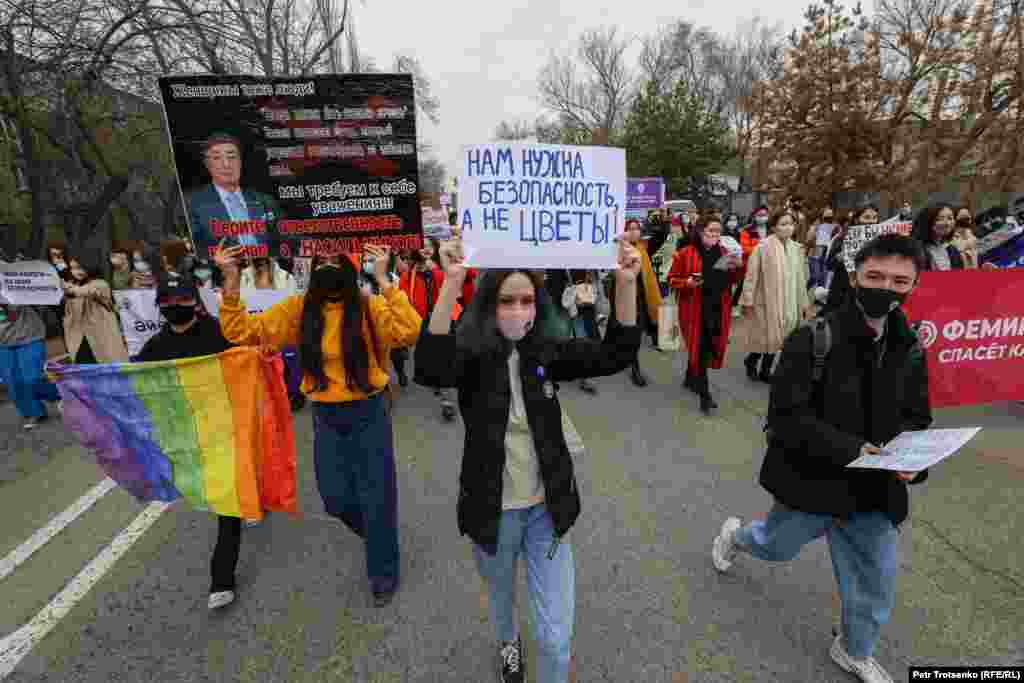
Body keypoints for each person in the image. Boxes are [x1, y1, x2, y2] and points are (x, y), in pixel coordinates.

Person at [414, 239, 643, 683]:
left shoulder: (547, 352)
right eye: (506, 301)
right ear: (488, 305)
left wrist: (627, 284)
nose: (518, 310)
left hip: (546, 510)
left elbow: (615, 354)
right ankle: (508, 644)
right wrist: (452, 281)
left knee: (556, 639)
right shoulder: (472, 356)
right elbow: (429, 367)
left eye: (526, 300)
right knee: (501, 596)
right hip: (491, 510)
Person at [713, 234, 932, 683]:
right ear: (855, 276)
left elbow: (917, 417)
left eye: (899, 281)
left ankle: (854, 649)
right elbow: (787, 419)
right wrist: (854, 450)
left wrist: (917, 461)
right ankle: (736, 537)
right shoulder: (814, 337)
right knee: (774, 546)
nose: (885, 289)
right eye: (875, 277)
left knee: (875, 580)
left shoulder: (910, 346)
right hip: (812, 484)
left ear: (914, 286)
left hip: (875, 492)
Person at [214, 242, 420, 607]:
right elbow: (244, 332)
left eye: (334, 261)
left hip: (368, 412)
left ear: (348, 266)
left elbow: (409, 331)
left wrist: (383, 277)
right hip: (326, 416)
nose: (327, 266)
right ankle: (379, 537)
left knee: (377, 497)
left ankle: (383, 571)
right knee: (336, 499)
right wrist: (231, 281)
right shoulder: (299, 309)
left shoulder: (369, 306)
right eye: (319, 261)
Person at [135, 272, 245, 610]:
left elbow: (245, 359)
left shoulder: (217, 332)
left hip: (225, 426)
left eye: (181, 300)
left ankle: (221, 579)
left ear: (195, 302)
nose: (175, 307)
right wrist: (69, 379)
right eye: (167, 302)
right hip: (186, 435)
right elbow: (129, 377)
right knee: (215, 492)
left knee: (229, 503)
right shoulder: (156, 346)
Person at [668, 219, 742, 414]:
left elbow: (732, 280)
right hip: (694, 310)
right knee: (699, 349)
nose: (715, 235)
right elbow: (672, 279)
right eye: (711, 230)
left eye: (718, 231)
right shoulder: (686, 253)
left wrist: (737, 268)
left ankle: (690, 376)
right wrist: (688, 283)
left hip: (718, 309)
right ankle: (705, 396)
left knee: (708, 348)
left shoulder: (726, 253)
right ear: (701, 231)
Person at [739, 209, 812, 383]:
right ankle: (751, 361)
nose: (788, 228)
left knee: (779, 338)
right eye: (783, 224)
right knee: (766, 337)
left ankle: (766, 371)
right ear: (773, 227)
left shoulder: (796, 249)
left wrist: (804, 303)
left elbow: (801, 278)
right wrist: (747, 301)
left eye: (791, 224)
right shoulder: (763, 247)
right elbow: (751, 276)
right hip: (766, 300)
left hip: (789, 300)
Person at [186, 132, 282, 251]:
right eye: (216, 158)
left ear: (240, 161)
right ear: (207, 164)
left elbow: (286, 237)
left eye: (231, 157)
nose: (226, 165)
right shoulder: (193, 204)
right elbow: (191, 248)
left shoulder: (265, 201)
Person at [399, 239, 458, 421]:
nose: (426, 249)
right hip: (422, 324)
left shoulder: (443, 270)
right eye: (422, 246)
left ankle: (446, 401)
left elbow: (461, 284)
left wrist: (445, 265)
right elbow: (402, 299)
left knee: (444, 360)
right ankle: (439, 390)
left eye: (429, 246)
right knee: (430, 362)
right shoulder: (408, 275)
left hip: (444, 321)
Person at [0, 304, 61, 430]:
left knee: (33, 378)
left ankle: (62, 395)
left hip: (30, 337)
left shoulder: (14, 287)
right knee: (13, 382)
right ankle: (33, 412)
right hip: (3, 344)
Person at [62, 255, 129, 365]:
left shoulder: (101, 283)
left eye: (80, 267)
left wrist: (71, 290)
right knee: (85, 371)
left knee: (110, 370)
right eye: (73, 268)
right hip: (79, 338)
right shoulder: (71, 286)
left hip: (102, 337)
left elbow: (89, 291)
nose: (76, 271)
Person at [621, 218, 662, 385]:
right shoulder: (619, 249)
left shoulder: (642, 249)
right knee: (629, 333)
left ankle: (633, 365)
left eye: (637, 229)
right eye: (630, 229)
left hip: (641, 299)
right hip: (625, 299)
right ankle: (633, 366)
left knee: (636, 334)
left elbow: (648, 276)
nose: (634, 232)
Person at [558, 269, 611, 395]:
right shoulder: (570, 267)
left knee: (589, 340)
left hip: (589, 306)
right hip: (577, 306)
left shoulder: (591, 267)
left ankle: (582, 373)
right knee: (579, 339)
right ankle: (582, 376)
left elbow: (599, 282)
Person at [822, 205, 880, 314]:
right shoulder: (843, 237)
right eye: (866, 217)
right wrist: (840, 257)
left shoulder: (880, 239)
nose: (871, 221)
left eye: (874, 217)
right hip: (843, 294)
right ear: (857, 219)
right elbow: (829, 264)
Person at [912, 205, 964, 272]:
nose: (947, 223)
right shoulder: (916, 249)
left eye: (950, 218)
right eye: (940, 219)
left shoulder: (953, 250)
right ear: (928, 221)